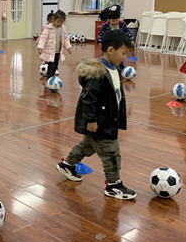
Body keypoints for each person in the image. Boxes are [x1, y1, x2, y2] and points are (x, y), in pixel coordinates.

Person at [55, 29, 136, 200]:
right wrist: (91, 120)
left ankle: (67, 165)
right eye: (123, 53)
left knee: (88, 145)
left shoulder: (114, 68)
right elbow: (88, 99)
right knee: (111, 153)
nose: (124, 57)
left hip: (108, 119)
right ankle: (113, 185)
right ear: (111, 50)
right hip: (99, 121)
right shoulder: (98, 73)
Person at [37, 10, 73, 79]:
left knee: (55, 67)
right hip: (50, 52)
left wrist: (68, 47)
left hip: (57, 51)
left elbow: (65, 38)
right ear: (54, 19)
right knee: (51, 66)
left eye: (61, 22)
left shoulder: (63, 28)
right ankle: (50, 80)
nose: (59, 23)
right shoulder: (48, 28)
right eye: (58, 21)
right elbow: (43, 38)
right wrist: (40, 47)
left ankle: (51, 78)